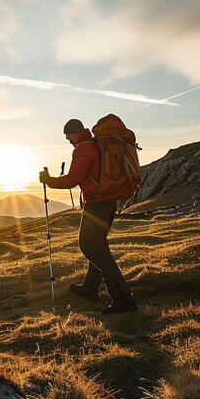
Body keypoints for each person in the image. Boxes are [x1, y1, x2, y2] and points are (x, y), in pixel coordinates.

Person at [39, 118, 139, 315]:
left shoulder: (84, 148)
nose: (67, 138)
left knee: (91, 247)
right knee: (97, 247)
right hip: (108, 203)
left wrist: (49, 181)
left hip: (97, 205)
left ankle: (123, 299)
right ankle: (90, 288)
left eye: (68, 134)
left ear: (76, 132)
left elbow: (73, 179)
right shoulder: (97, 145)